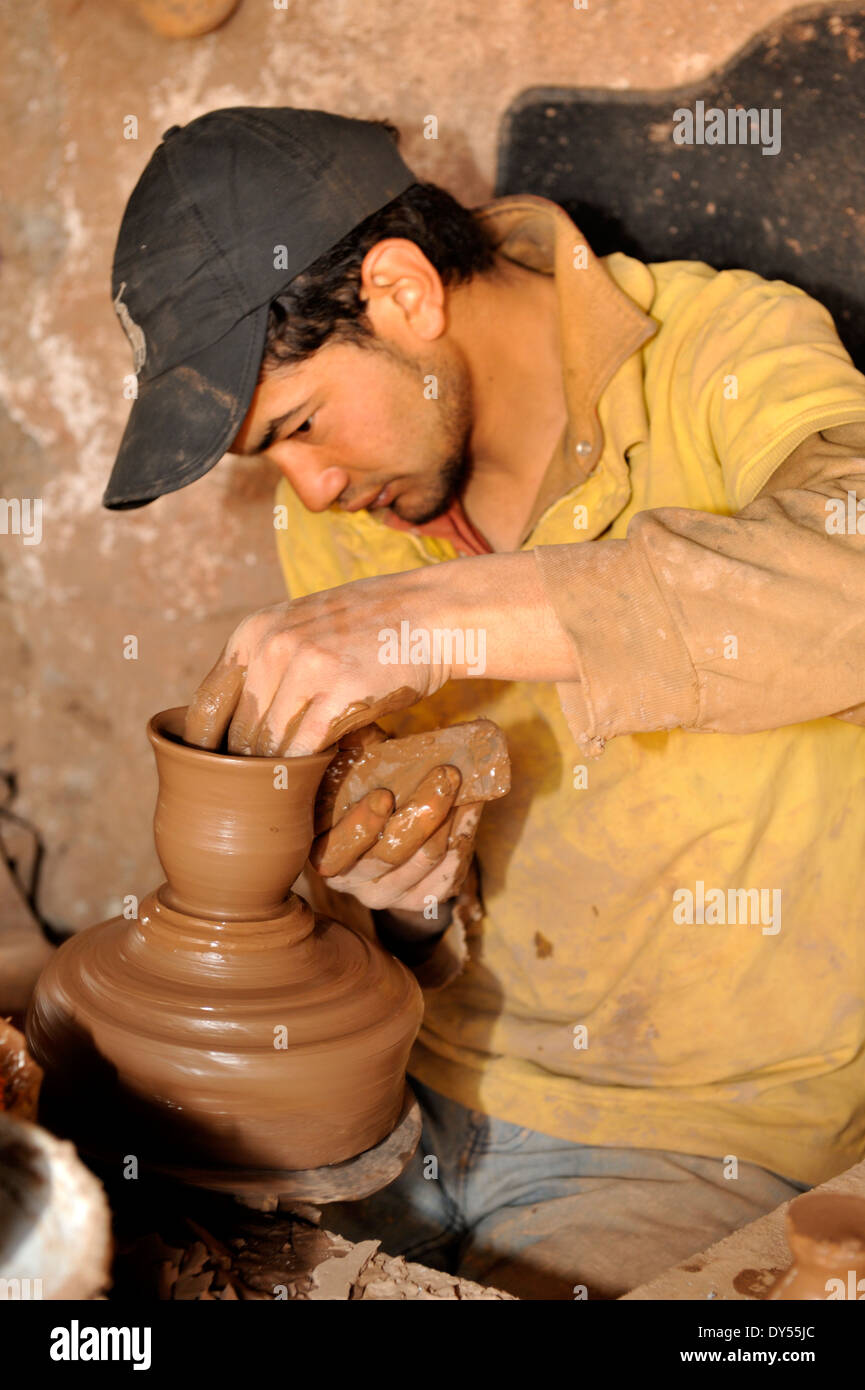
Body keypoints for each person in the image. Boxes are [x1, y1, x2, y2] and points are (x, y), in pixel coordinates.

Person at [103, 106, 865, 1299]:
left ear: (403, 291)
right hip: (408, 1086)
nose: (309, 487)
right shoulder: (349, 508)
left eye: (302, 425)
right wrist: (399, 904)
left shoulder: (716, 353)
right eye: (272, 457)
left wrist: (435, 619)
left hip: (688, 1129)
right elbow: (408, 877)